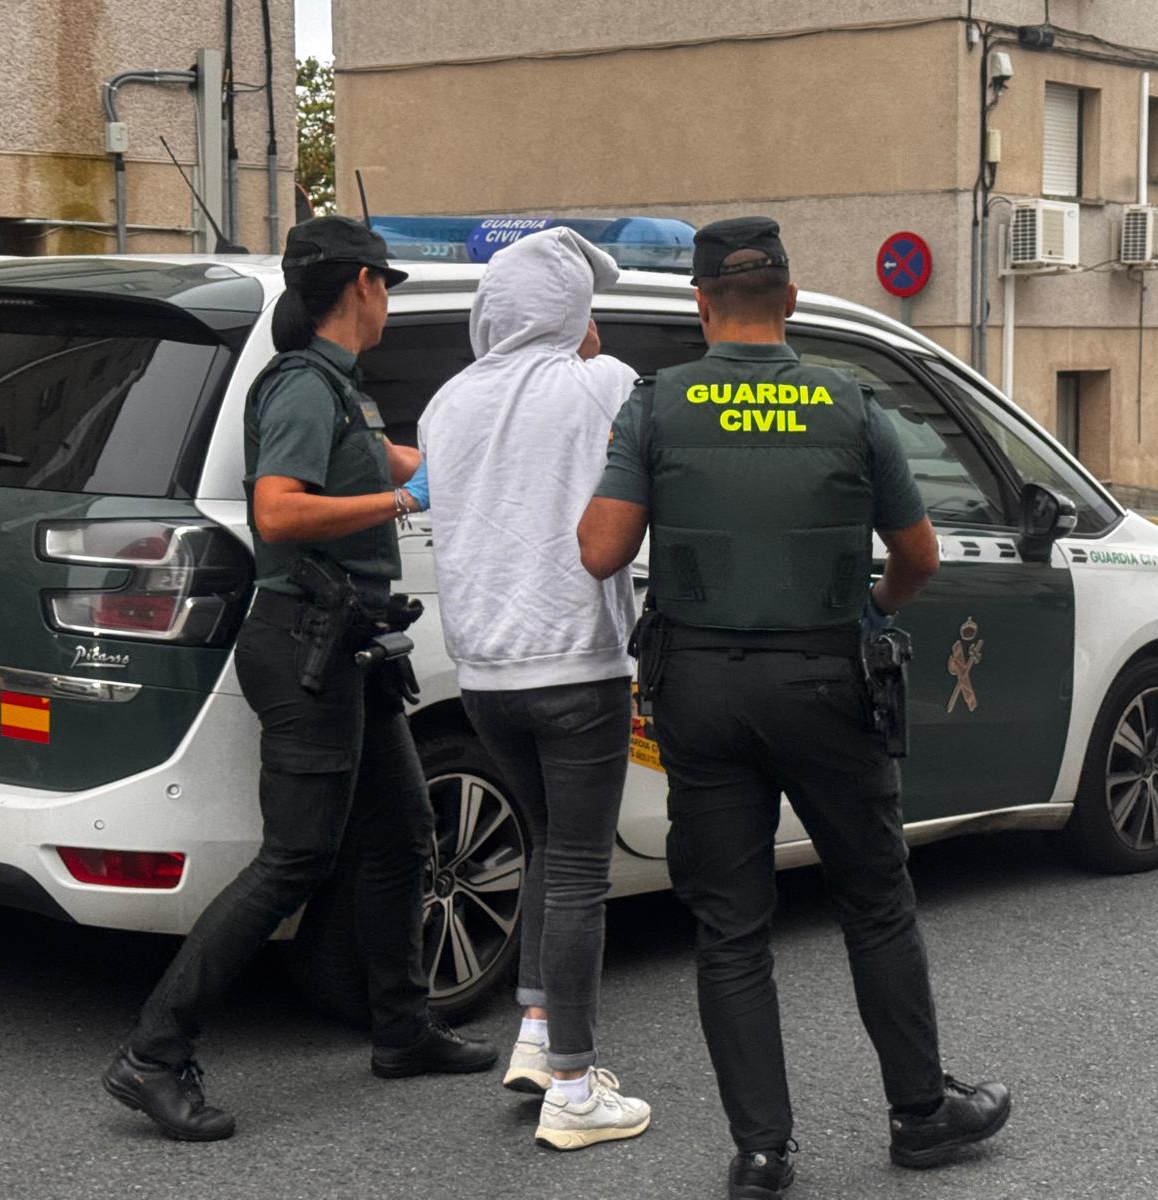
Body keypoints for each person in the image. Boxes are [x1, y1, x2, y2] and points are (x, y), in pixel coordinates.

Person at [576, 218, 1010, 1198]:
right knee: (874, 900)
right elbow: (921, 558)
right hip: (826, 682)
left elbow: (599, 551)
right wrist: (872, 607)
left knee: (730, 926)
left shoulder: (657, 404)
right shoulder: (851, 405)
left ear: (699, 305)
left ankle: (762, 1153)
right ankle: (919, 1115)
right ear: (793, 297)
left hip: (700, 687)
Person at [101, 215, 495, 1142]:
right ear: (359, 285)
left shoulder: (344, 394)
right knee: (297, 859)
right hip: (303, 644)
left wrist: (472, 460)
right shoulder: (302, 388)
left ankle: (401, 1028)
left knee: (404, 833)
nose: (390, 298)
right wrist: (405, 499)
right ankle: (153, 1052)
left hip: (352, 645)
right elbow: (279, 512)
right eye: (386, 284)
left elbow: (409, 461)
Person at [410, 227, 650, 1151]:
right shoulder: (603, 382)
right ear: (572, 315)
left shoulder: (446, 402)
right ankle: (577, 1090)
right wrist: (584, 346)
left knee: (550, 843)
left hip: (483, 674)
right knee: (583, 867)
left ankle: (538, 1031)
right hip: (578, 663)